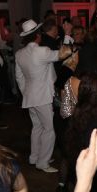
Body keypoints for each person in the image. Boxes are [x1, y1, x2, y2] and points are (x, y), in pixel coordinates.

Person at [15, 19, 72, 173]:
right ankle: (43, 162)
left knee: (37, 127)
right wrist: (67, 35)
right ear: (37, 35)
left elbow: (19, 78)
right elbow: (63, 54)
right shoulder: (42, 51)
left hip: (30, 97)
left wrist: (26, 92)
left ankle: (35, 157)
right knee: (49, 129)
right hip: (42, 97)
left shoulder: (19, 54)